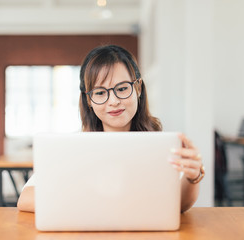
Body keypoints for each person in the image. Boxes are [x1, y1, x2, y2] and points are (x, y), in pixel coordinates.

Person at [17, 44, 204, 213]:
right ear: (89, 99)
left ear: (138, 88)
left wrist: (192, 177)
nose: (113, 101)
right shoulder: (73, 147)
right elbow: (25, 199)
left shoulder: (160, 145)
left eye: (122, 89)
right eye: (100, 93)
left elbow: (177, 204)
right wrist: (99, 199)